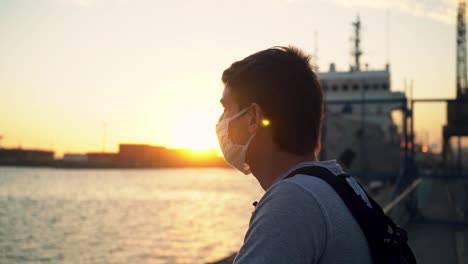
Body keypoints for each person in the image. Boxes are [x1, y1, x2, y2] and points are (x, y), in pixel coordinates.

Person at [215, 46, 373, 263]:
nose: (221, 122)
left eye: (226, 109)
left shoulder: (293, 201)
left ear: (253, 118)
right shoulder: (340, 184)